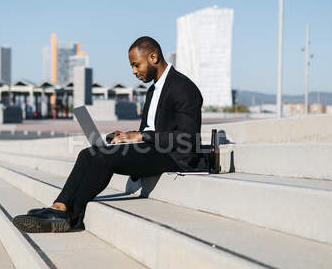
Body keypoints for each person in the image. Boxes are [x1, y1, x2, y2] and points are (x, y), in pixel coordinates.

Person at [12, 36, 205, 233]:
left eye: (136, 65)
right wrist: (128, 135)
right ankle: (59, 207)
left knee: (103, 158)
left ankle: (72, 216)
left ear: (153, 57)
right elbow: (152, 128)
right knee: (87, 154)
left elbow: (187, 138)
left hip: (172, 155)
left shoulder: (183, 88)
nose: (134, 72)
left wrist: (141, 137)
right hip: (151, 148)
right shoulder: (154, 89)